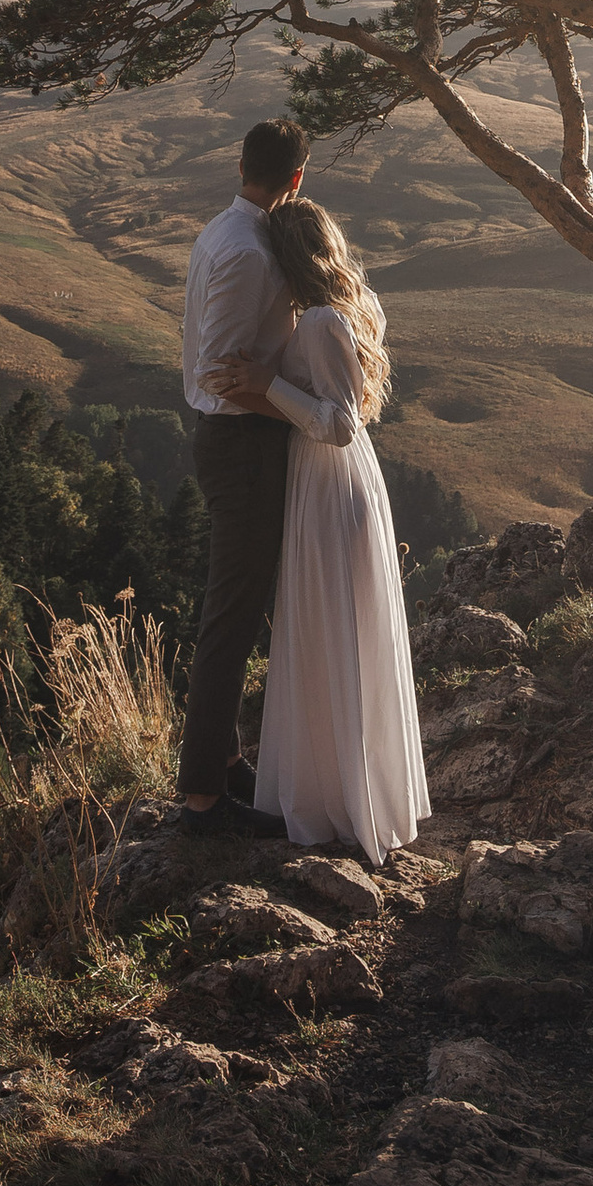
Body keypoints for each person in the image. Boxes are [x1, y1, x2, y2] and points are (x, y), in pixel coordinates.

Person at [213, 200, 427, 865]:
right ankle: (341, 792)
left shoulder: (326, 321)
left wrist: (269, 385)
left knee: (330, 630)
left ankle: (335, 805)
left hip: (330, 481)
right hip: (334, 482)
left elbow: (339, 423)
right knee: (336, 632)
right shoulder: (354, 308)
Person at [174, 115, 309, 831]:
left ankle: (224, 765)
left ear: (240, 166)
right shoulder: (251, 251)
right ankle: (202, 799)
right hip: (240, 444)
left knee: (238, 611)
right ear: (296, 179)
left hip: (232, 442)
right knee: (229, 622)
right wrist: (301, 410)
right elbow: (222, 375)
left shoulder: (220, 232)